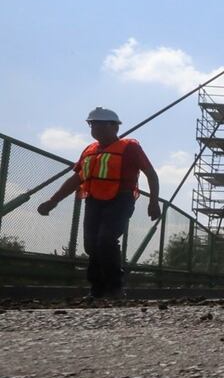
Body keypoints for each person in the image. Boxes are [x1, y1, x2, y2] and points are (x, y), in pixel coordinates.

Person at [37, 107, 160, 299]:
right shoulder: (89, 151)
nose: (94, 128)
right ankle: (97, 289)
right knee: (92, 244)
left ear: (114, 127)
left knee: (106, 240)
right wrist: (53, 201)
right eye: (92, 124)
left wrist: (154, 202)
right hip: (94, 200)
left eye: (99, 124)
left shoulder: (130, 148)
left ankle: (115, 287)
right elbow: (77, 179)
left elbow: (151, 174)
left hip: (120, 199)